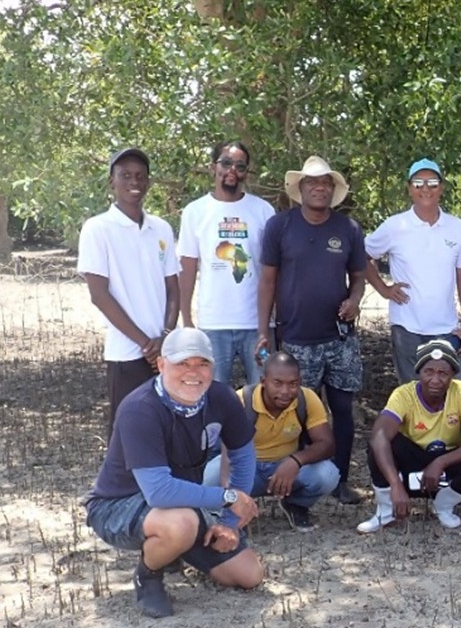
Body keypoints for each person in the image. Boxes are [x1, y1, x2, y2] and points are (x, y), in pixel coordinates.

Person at [85, 328, 265, 618]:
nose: (193, 373)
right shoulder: (139, 408)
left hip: (185, 505)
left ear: (212, 367)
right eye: (183, 363)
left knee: (249, 575)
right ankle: (149, 574)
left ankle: (176, 549)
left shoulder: (223, 397)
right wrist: (229, 497)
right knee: (180, 523)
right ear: (161, 364)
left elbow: (243, 457)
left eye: (202, 364)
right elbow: (159, 491)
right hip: (119, 504)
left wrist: (230, 523)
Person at [258, 155, 367, 504]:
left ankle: (340, 481)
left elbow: (360, 277)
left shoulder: (348, 229)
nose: (319, 188)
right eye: (312, 183)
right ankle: (303, 484)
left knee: (343, 410)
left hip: (339, 339)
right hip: (297, 338)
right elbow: (268, 279)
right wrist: (265, 328)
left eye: (325, 183)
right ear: (300, 188)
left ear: (333, 190)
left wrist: (354, 299)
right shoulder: (280, 226)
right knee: (301, 413)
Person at [78, 147, 179, 430]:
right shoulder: (97, 229)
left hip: (163, 351)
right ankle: (119, 478)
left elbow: (173, 287)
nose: (134, 182)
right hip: (126, 353)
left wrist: (165, 336)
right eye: (125, 176)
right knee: (127, 431)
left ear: (148, 182)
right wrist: (145, 343)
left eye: (140, 176)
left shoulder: (161, 229)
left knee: (165, 427)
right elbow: (99, 295)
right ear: (112, 182)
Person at [359, 339, 461, 532]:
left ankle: (444, 505)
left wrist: (440, 463)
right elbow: (379, 436)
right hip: (410, 464)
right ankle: (386, 509)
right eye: (428, 372)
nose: (435, 380)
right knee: (379, 443)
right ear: (419, 373)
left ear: (453, 375)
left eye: (443, 373)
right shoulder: (403, 394)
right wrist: (395, 484)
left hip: (444, 468)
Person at [365, 158, 461, 386]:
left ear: (441, 188)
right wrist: (384, 289)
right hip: (407, 329)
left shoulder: (457, 227)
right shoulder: (395, 226)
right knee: (415, 397)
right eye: (418, 183)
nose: (425, 189)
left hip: (447, 329)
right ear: (409, 189)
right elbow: (362, 255)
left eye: (432, 183)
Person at [177, 140, 275, 385]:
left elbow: (272, 272)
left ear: (246, 173)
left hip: (258, 327)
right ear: (213, 168)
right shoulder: (195, 211)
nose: (232, 170)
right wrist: (187, 320)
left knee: (264, 393)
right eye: (226, 163)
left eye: (240, 166)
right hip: (213, 325)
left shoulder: (263, 211)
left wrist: (271, 325)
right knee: (212, 393)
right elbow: (187, 268)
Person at [206, 352, 340, 531]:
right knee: (212, 475)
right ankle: (231, 512)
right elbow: (225, 451)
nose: (285, 391)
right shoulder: (240, 401)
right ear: (263, 381)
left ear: (300, 382)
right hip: (246, 468)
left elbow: (327, 444)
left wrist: (295, 461)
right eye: (277, 383)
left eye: (293, 384)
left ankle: (295, 505)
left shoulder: (306, 399)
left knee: (328, 474)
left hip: (286, 469)